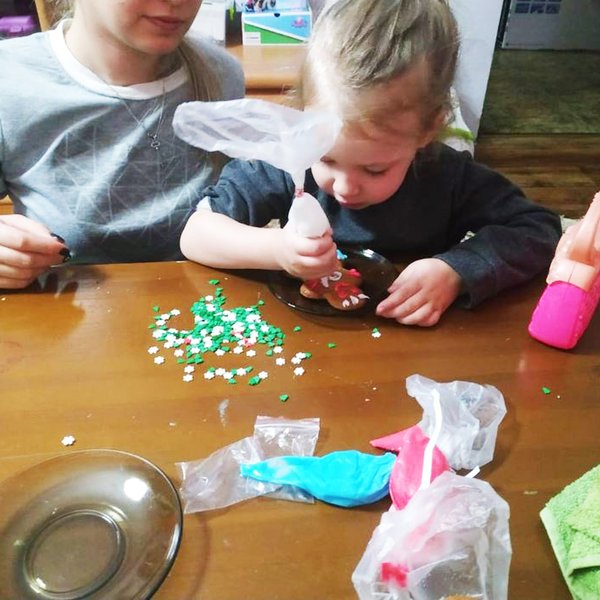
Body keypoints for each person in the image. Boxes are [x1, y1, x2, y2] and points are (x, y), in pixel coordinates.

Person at [179, 0, 561, 327]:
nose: (345, 186)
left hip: (409, 346)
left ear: (428, 130)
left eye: (375, 169)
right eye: (326, 158)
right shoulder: (290, 161)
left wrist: (457, 270)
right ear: (301, 116)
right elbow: (195, 234)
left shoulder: (448, 176)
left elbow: (539, 230)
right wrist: (277, 249)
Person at [0, 0, 244, 289]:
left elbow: (244, 199)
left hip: (210, 305)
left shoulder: (222, 76)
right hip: (63, 311)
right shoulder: (10, 80)